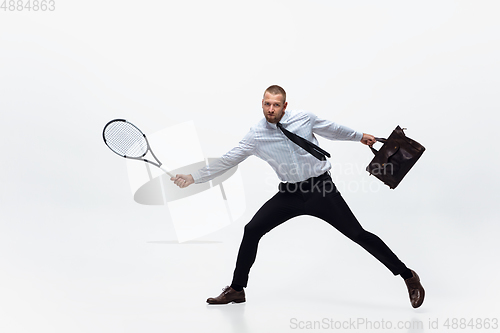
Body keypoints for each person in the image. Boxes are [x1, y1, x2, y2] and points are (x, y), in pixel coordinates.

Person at [170, 85, 425, 308]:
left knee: (358, 234)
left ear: (285, 106)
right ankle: (237, 290)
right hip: (290, 194)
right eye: (267, 104)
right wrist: (194, 178)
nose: (271, 109)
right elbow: (228, 159)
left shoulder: (304, 118)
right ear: (262, 104)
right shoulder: (255, 136)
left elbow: (332, 129)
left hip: (321, 190)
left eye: (276, 105)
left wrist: (359, 136)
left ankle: (407, 276)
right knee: (252, 230)